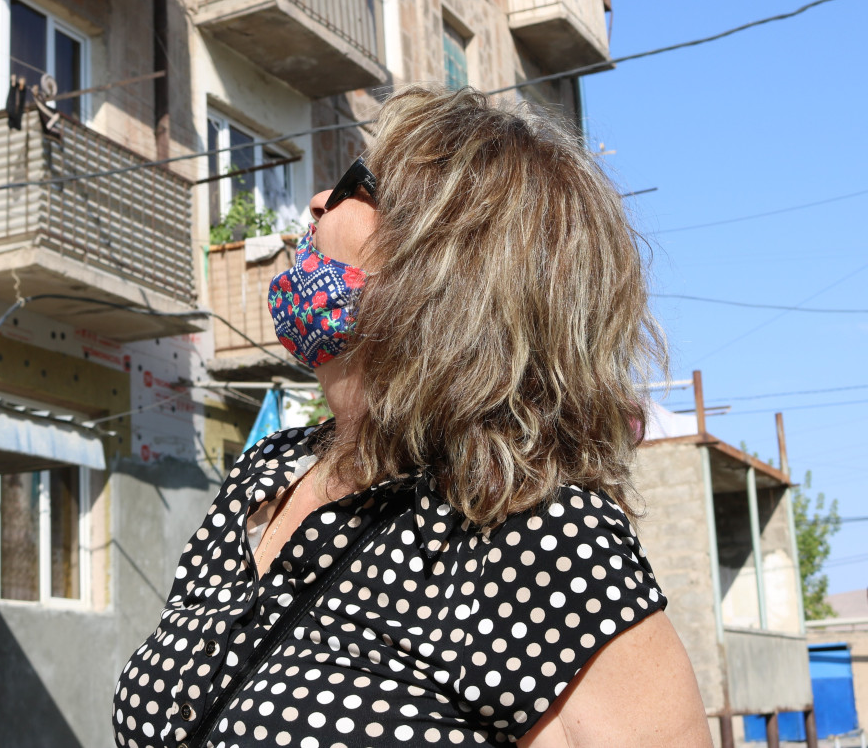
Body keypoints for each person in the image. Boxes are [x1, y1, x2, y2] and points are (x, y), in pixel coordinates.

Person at [113, 85, 712, 748]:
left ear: (443, 264)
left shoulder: (538, 536)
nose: (317, 201)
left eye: (353, 183)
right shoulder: (264, 472)